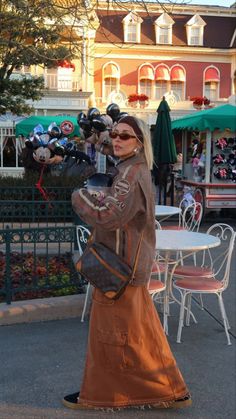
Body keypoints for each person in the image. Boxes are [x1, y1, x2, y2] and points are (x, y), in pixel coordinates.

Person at [63, 115, 192, 411]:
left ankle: (103, 395)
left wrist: (79, 195)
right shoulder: (132, 166)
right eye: (115, 135)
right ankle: (169, 389)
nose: (117, 140)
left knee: (112, 337)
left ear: (139, 143)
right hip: (125, 265)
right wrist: (100, 140)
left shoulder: (131, 175)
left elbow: (109, 216)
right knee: (140, 336)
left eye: (125, 136)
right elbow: (112, 146)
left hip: (118, 269)